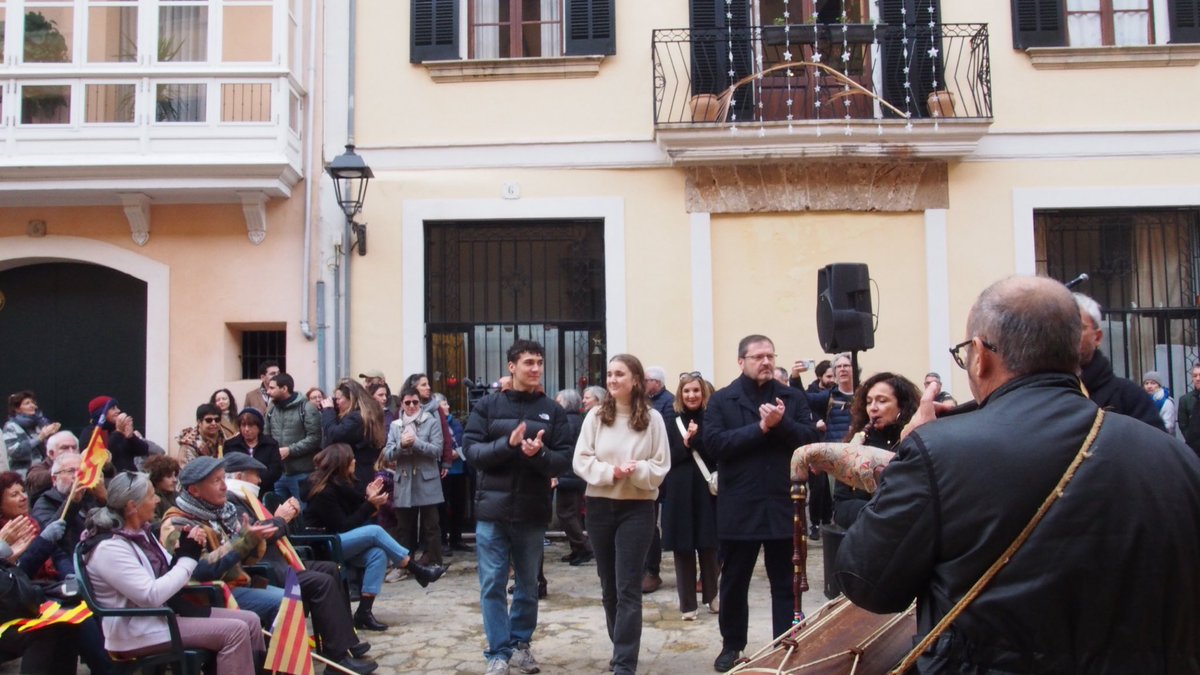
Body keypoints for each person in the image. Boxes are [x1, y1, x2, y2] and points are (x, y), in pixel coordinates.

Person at [793, 275, 1200, 672]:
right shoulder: (1179, 460)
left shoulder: (938, 450)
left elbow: (866, 580)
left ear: (982, 353)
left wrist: (908, 455)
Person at [161, 455, 378, 674]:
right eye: (216, 481)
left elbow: (247, 558)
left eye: (222, 478)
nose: (224, 485)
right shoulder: (178, 522)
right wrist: (247, 538)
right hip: (210, 593)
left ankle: (326, 656)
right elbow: (200, 569)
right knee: (285, 600)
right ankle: (285, 668)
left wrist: (254, 539)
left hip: (239, 582)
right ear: (195, 491)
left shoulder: (220, 513)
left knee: (310, 582)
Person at [703, 334, 819, 673]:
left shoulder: (792, 398)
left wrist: (781, 425)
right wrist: (760, 428)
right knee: (734, 581)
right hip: (740, 504)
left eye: (770, 356)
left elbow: (810, 441)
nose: (766, 362)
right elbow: (715, 445)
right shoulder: (723, 400)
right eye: (758, 357)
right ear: (741, 361)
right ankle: (732, 645)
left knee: (785, 581)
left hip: (784, 503)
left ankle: (783, 645)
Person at [463, 339, 573, 675]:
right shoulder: (488, 407)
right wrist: (507, 446)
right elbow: (472, 452)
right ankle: (498, 652)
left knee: (527, 584)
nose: (536, 368)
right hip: (492, 513)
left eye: (539, 362)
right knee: (493, 582)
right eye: (528, 362)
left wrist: (536, 454)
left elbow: (563, 460)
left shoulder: (552, 411)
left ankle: (521, 644)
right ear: (512, 366)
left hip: (532, 511)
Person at [81, 471, 264, 673]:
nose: (158, 500)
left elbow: (174, 569)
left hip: (163, 616)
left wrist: (187, 547)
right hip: (136, 631)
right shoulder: (109, 548)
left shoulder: (142, 534)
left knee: (251, 621)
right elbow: (150, 595)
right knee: (235, 631)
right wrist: (188, 557)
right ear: (133, 506)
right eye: (152, 496)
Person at [572, 354, 670, 675]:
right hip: (600, 506)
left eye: (619, 374)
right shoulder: (596, 417)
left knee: (628, 585)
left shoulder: (653, 419)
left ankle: (625, 663)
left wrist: (636, 470)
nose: (612, 379)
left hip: (638, 508)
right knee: (608, 586)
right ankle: (621, 645)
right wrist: (611, 471)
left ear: (636, 380)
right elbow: (581, 459)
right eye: (610, 374)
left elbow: (660, 466)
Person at [301, 444, 447, 631]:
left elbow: (356, 515)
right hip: (324, 544)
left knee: (377, 554)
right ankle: (415, 569)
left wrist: (369, 499)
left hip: (338, 541)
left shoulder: (342, 485)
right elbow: (344, 525)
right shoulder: (323, 492)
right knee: (375, 532)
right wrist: (369, 504)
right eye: (351, 458)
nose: (355, 460)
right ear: (341, 463)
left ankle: (364, 612)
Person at [662, 371, 719, 619]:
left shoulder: (713, 419)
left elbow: (718, 453)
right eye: (687, 391)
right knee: (683, 548)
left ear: (703, 393)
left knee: (709, 545)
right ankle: (688, 605)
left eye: (696, 390)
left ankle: (712, 596)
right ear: (680, 394)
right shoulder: (670, 420)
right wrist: (685, 443)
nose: (692, 395)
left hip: (706, 490)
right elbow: (666, 457)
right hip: (679, 491)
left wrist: (698, 440)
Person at [830, 372, 922, 528]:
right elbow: (840, 506)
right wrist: (876, 515)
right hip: (865, 536)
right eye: (868, 402)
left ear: (902, 405)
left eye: (882, 401)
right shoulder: (857, 443)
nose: (872, 408)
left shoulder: (916, 441)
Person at [1074, 293, 1165, 431]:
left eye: (1078, 327)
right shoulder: (1034, 395)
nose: (1067, 334)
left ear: (1097, 337)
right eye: (1059, 328)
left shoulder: (1131, 398)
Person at [382, 385, 445, 566]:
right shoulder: (395, 426)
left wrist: (416, 443)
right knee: (404, 527)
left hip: (427, 479)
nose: (411, 406)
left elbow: (437, 450)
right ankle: (404, 565)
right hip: (404, 479)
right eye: (407, 402)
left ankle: (435, 562)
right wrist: (401, 445)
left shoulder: (430, 421)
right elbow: (387, 454)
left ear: (420, 403)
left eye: (415, 402)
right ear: (401, 404)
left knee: (431, 525)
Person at [31, 451, 104, 575]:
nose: (78, 476)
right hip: (73, 567)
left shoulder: (91, 496)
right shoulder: (45, 502)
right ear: (54, 479)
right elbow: (51, 535)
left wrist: (104, 498)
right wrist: (73, 501)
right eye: (71, 471)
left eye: (81, 471)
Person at [640, 366, 674, 595]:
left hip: (657, 472)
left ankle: (652, 571)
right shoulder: (644, 401)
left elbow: (667, 440)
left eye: (647, 380)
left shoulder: (668, 404)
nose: (643, 383)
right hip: (639, 470)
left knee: (651, 524)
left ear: (657, 383)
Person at [264, 372, 322, 501]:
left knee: (302, 514)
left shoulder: (306, 408)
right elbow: (266, 435)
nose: (268, 391)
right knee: (279, 514)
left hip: (302, 473)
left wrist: (290, 450)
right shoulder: (272, 408)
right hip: (278, 473)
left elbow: (315, 438)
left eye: (272, 388)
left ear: (284, 389)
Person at [322, 380, 386, 490]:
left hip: (356, 474)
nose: (336, 402)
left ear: (351, 399)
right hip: (362, 471)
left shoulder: (356, 419)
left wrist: (328, 410)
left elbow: (334, 435)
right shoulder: (365, 415)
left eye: (339, 398)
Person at [553, 388, 592, 566]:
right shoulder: (579, 420)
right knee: (572, 513)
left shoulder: (567, 421)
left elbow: (564, 448)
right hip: (575, 474)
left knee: (566, 513)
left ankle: (583, 547)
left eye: (558, 400)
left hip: (569, 474)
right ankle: (577, 549)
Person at [80, 396, 150, 472]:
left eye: (117, 407)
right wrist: (118, 432)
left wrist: (132, 438)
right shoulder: (90, 433)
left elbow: (144, 450)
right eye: (113, 408)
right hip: (108, 480)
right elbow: (105, 456)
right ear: (102, 412)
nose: (118, 410)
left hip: (130, 478)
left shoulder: (121, 429)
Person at [223, 408, 284, 494]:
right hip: (238, 491)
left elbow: (276, 470)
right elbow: (228, 469)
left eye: (251, 425)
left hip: (264, 491)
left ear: (259, 427)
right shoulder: (231, 445)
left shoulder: (271, 444)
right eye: (243, 425)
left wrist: (255, 481)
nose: (246, 429)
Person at [3, 391, 59, 477]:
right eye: (27, 403)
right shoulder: (11, 426)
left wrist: (51, 435)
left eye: (33, 403)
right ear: (17, 409)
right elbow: (15, 452)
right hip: (24, 475)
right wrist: (40, 438)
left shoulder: (39, 423)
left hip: (43, 473)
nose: (32, 405)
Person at [25, 430, 79, 505]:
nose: (71, 452)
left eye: (74, 448)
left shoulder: (82, 467)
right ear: (51, 453)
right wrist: (63, 468)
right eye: (65, 448)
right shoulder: (38, 469)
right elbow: (35, 480)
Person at [142, 454, 181, 529]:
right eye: (169, 476)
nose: (175, 480)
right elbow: (154, 523)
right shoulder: (150, 500)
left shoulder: (176, 496)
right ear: (157, 478)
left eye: (175, 475)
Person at [1176, 363, 1200, 457]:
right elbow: (1183, 424)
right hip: (1194, 448)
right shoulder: (1185, 400)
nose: (1198, 379)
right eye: (1195, 376)